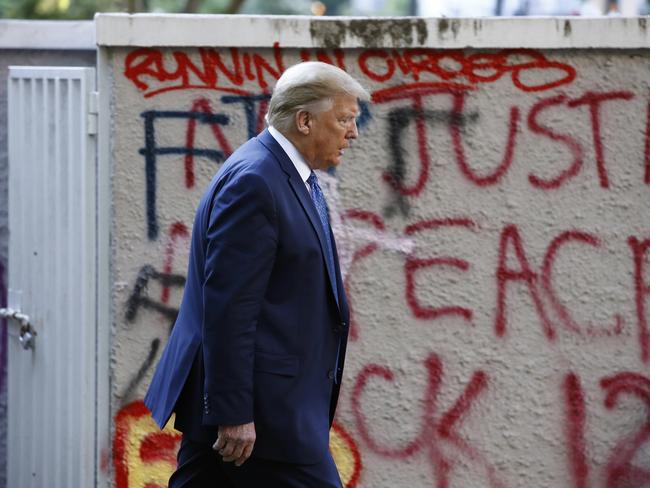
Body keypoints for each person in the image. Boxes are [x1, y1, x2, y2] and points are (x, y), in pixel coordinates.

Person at [144, 61, 370, 487]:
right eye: (344, 119)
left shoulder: (285, 173)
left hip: (267, 408)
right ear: (304, 120)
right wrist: (233, 413)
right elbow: (230, 306)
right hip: (263, 417)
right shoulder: (256, 181)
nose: (353, 133)